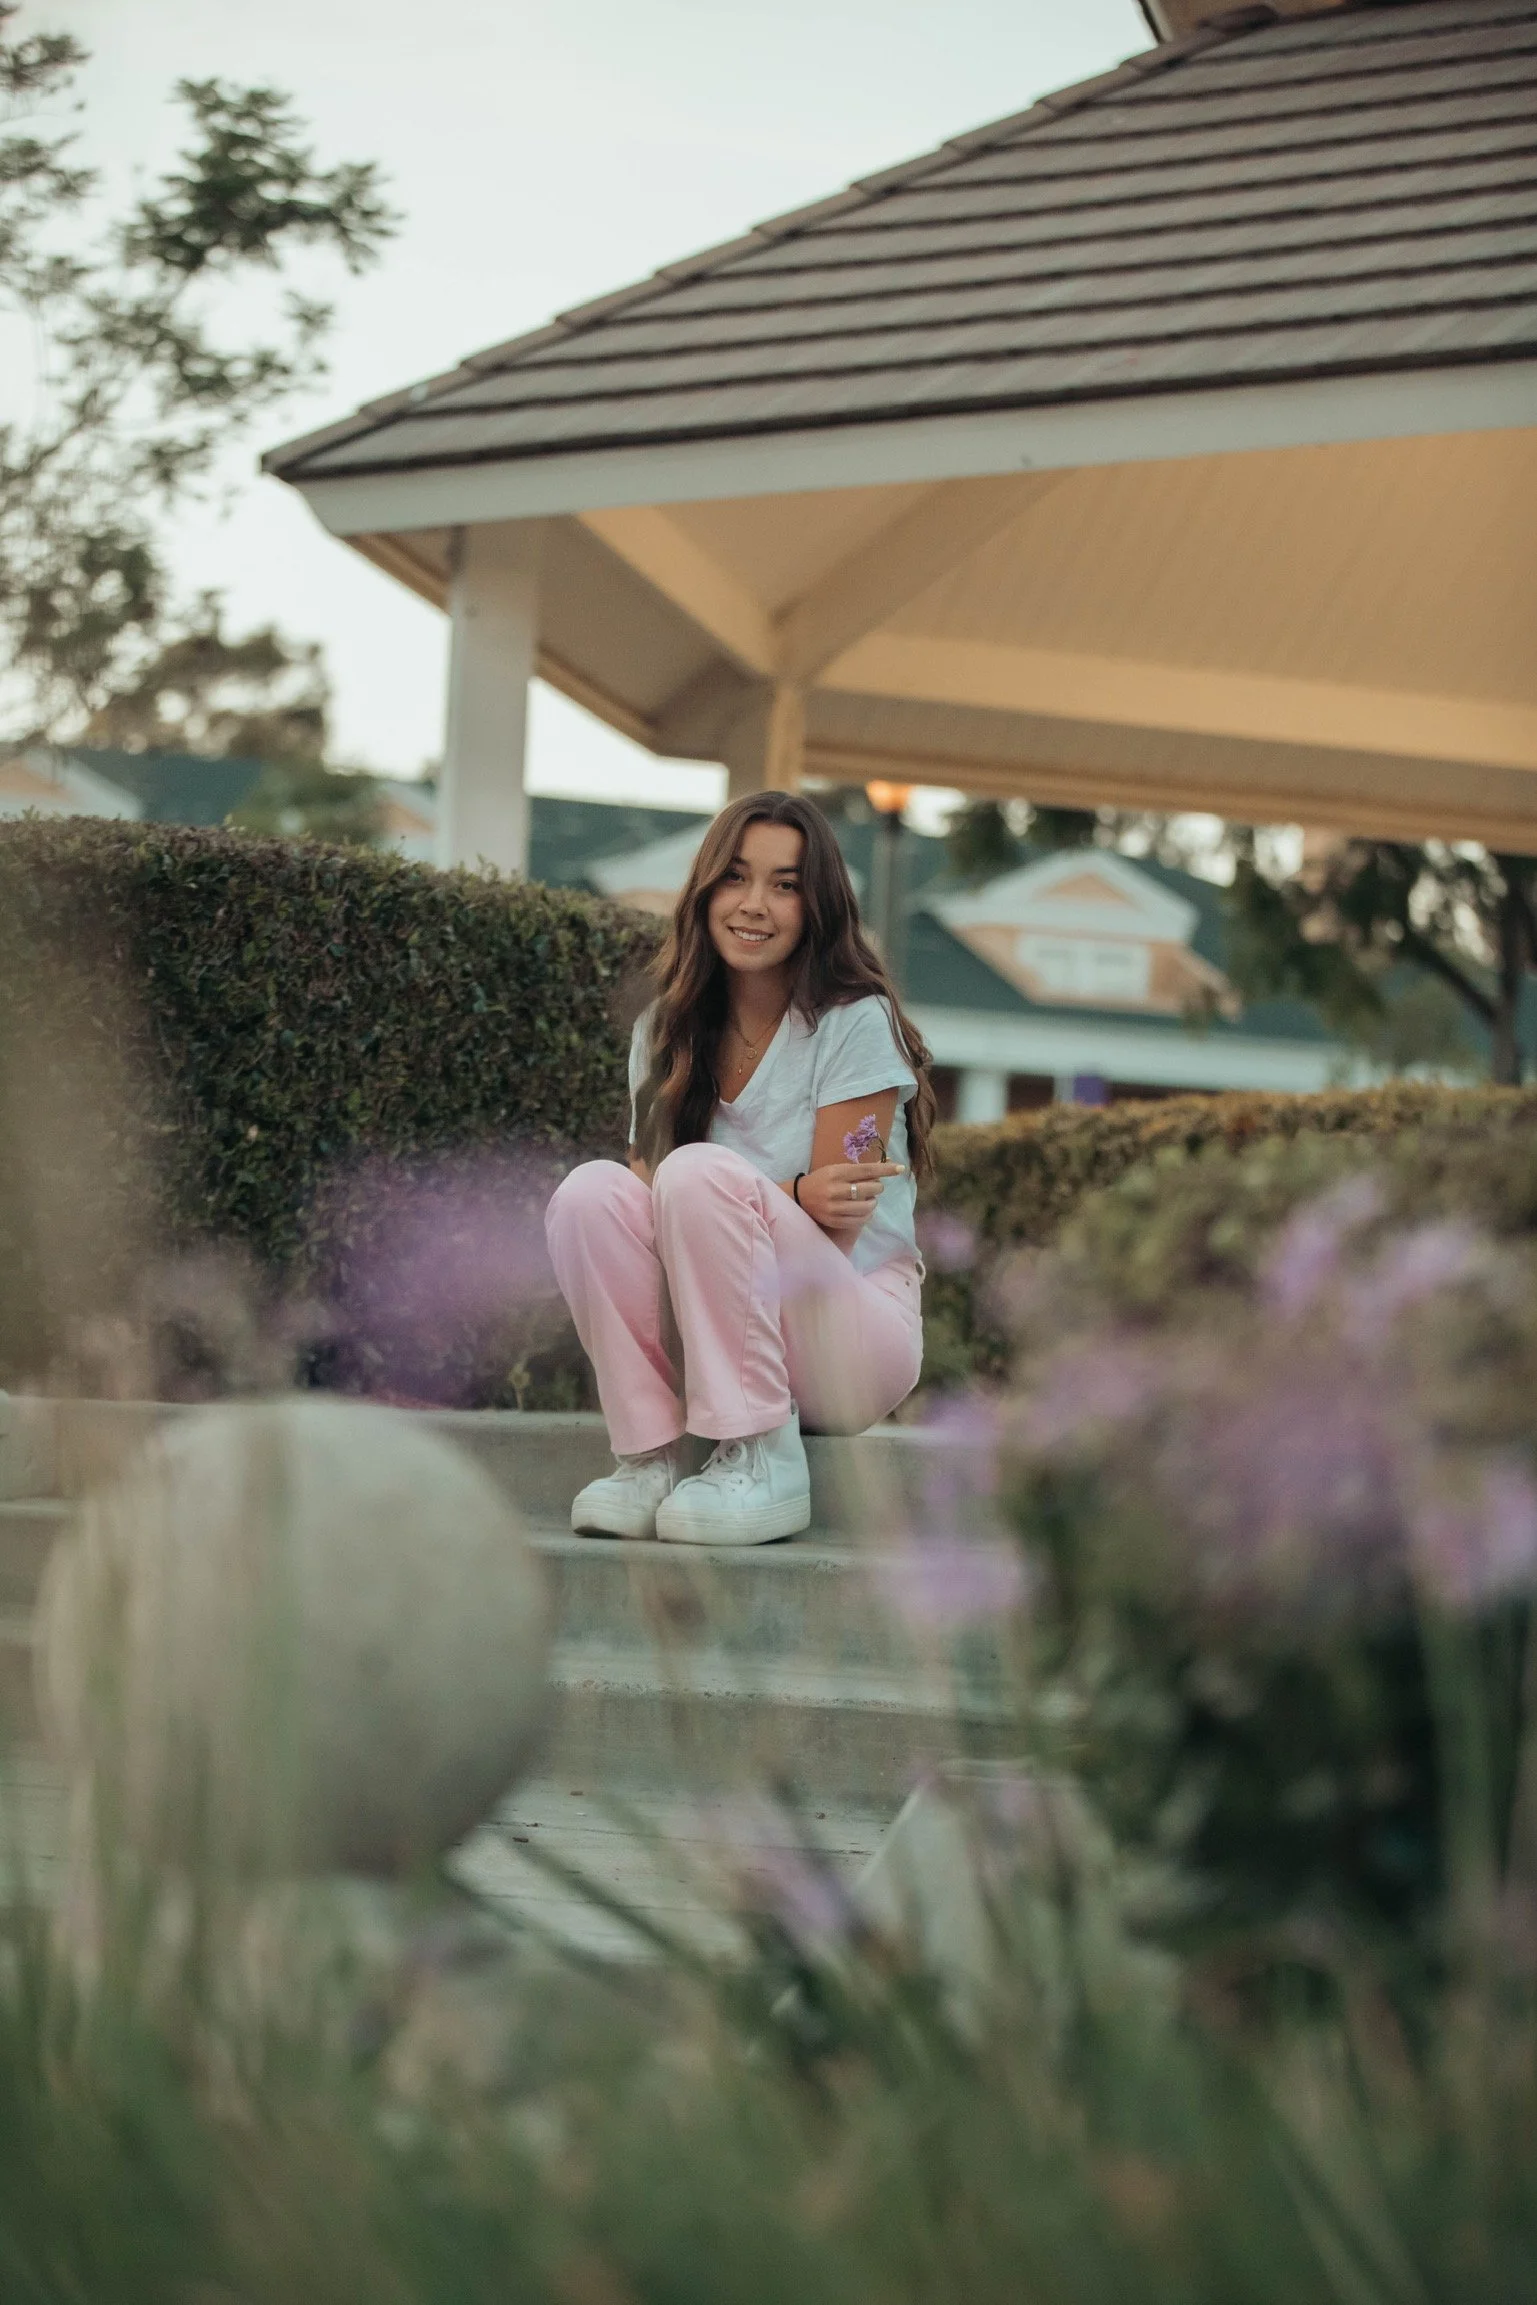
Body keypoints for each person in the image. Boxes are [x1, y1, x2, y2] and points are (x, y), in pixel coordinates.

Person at [545, 790, 935, 1548]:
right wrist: (787, 1191)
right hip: (714, 1327)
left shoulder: (853, 1021)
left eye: (784, 885)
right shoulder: (665, 1029)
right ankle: (651, 1457)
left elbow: (841, 1220)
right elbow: (643, 1195)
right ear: (705, 890)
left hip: (851, 1335)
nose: (754, 904)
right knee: (589, 1193)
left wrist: (759, 1195)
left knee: (694, 1174)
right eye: (735, 877)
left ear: (815, 904)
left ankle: (763, 1460)